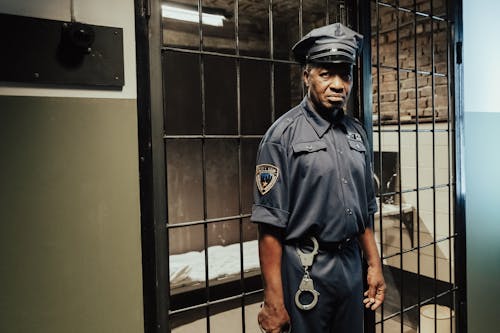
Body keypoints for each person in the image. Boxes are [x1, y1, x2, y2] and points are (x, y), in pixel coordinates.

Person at [251, 22, 386, 333]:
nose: (338, 84)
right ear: (306, 76)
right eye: (326, 73)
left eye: (345, 74)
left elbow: (365, 211)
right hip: (306, 266)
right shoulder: (281, 137)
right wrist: (272, 299)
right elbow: (269, 226)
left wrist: (374, 265)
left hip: (351, 265)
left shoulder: (357, 134)